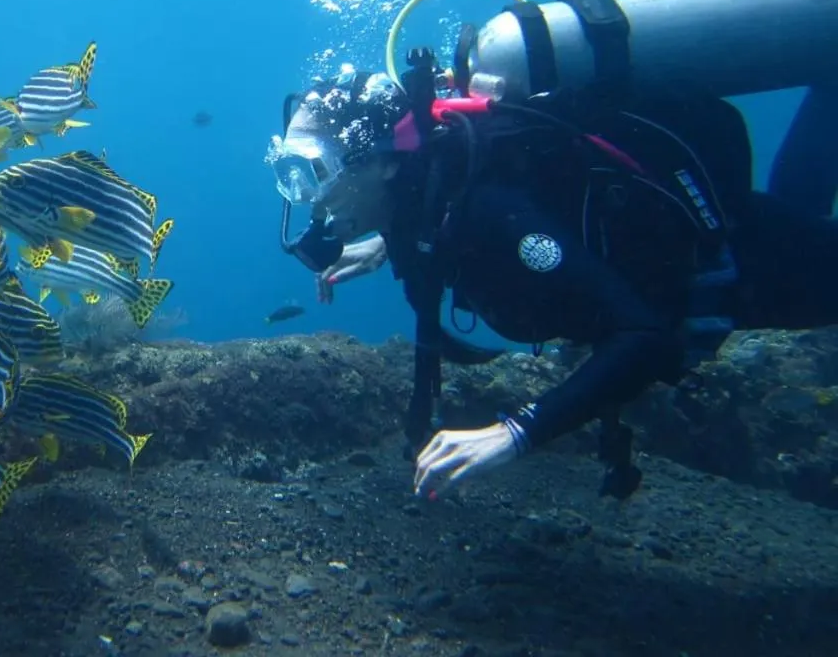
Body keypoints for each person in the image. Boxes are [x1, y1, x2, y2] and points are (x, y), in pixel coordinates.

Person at [267, 61, 838, 499]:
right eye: (289, 173)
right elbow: (427, 212)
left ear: (386, 161)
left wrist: (514, 434)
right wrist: (384, 243)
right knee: (799, 207)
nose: (309, 199)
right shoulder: (424, 199)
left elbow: (646, 335)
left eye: (315, 172)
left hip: (749, 271)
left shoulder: (489, 210)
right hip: (744, 232)